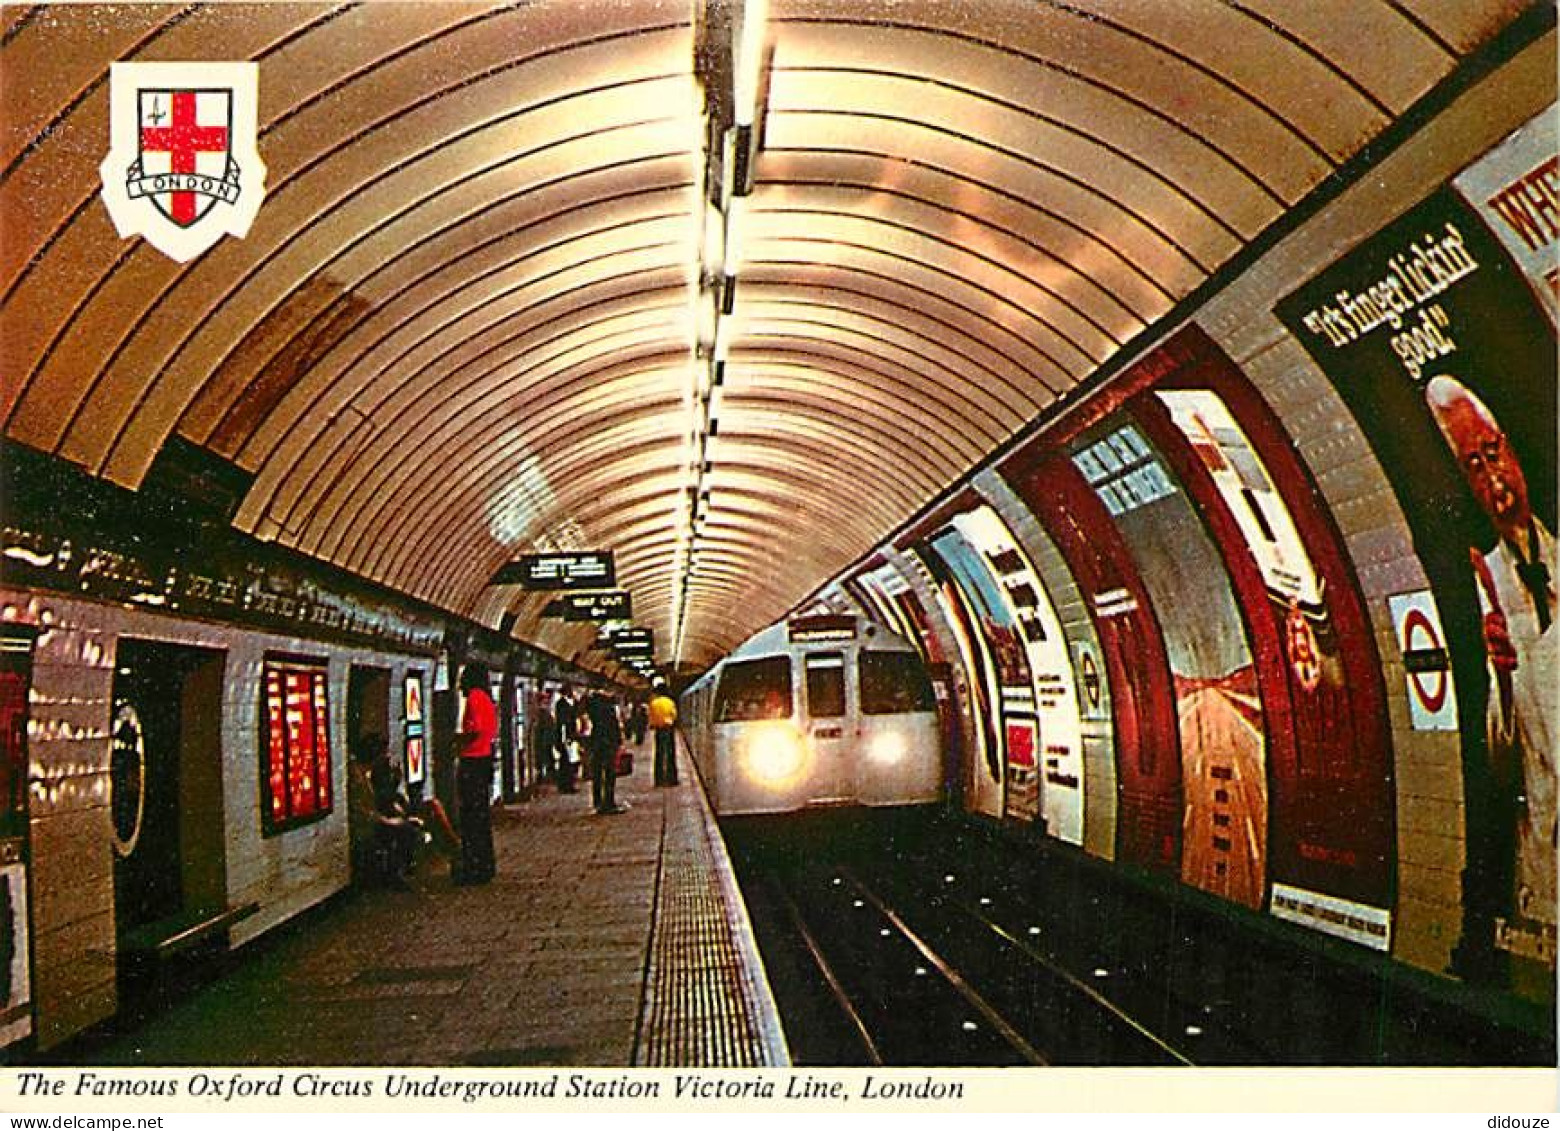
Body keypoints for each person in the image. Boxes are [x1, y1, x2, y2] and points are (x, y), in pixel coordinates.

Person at [1427, 375, 1555, 940]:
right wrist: (1501, 678)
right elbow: (1500, 764)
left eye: (1491, 453)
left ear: (1512, 448)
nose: (1491, 475)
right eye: (1473, 467)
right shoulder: (1488, 593)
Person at [348, 734, 422, 890]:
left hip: (376, 817)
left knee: (406, 826)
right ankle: (394, 874)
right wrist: (384, 819)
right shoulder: (357, 777)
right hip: (365, 823)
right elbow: (360, 809)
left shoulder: (372, 774)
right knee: (404, 830)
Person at [454, 663, 498, 885]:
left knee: (471, 818)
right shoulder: (488, 699)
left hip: (472, 761)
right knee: (480, 817)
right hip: (484, 759)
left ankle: (475, 867)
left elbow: (475, 730)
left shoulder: (474, 697)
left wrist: (456, 741)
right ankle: (484, 865)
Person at [585, 689, 625, 814]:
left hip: (596, 743)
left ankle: (597, 802)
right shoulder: (608, 709)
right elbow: (614, 727)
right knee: (609, 774)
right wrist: (618, 742)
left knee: (596, 774)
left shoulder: (592, 708)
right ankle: (608, 803)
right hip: (608, 744)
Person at [649, 679, 679, 786]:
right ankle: (672, 779)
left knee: (659, 754)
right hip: (668, 729)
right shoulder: (670, 702)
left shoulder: (653, 703)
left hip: (659, 730)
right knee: (670, 754)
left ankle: (659, 779)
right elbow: (674, 715)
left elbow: (651, 718)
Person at [553, 684, 579, 793]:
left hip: (565, 738)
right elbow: (564, 723)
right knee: (565, 763)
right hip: (564, 738)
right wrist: (566, 738)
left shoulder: (563, 704)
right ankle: (565, 786)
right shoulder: (562, 704)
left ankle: (566, 784)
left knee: (566, 762)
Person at [532, 692, 557, 787]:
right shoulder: (544, 713)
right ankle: (546, 777)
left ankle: (545, 776)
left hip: (544, 740)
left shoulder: (541, 713)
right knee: (546, 758)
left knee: (545, 758)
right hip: (544, 740)